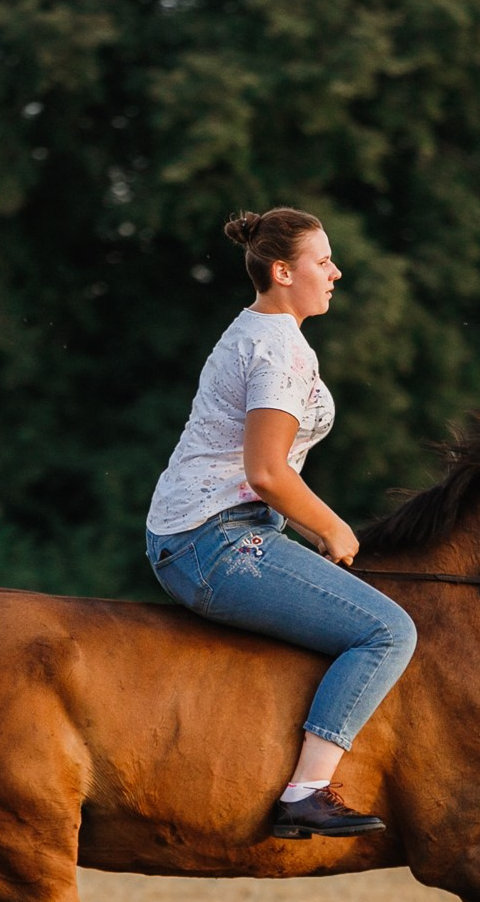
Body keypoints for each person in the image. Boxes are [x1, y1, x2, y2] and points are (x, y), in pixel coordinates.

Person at [144, 208, 417, 840]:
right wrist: (334, 527)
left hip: (212, 529)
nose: (336, 273)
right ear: (282, 272)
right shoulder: (279, 349)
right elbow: (266, 472)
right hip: (212, 541)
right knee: (387, 631)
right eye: (323, 261)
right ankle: (307, 793)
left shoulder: (261, 330)